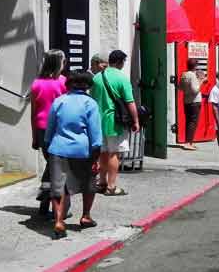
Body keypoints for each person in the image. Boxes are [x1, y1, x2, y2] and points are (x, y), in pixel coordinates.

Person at [44, 71, 102, 239]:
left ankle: (59, 221)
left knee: (59, 186)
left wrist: (47, 146)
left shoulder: (59, 101)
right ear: (87, 86)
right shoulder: (90, 104)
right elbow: (95, 134)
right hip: (83, 150)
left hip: (58, 149)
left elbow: (50, 129)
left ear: (68, 84)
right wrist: (95, 157)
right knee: (89, 183)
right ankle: (85, 216)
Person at [90, 50, 139, 196]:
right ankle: (111, 186)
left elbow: (92, 99)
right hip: (114, 122)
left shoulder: (97, 77)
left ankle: (102, 182)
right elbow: (130, 102)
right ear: (120, 62)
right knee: (114, 154)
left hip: (98, 121)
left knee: (103, 153)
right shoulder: (122, 78)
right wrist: (135, 120)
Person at [30, 50, 67, 217]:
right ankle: (58, 207)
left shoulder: (36, 84)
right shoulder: (63, 82)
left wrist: (34, 136)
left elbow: (33, 112)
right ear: (58, 63)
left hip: (41, 129)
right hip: (58, 130)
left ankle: (44, 203)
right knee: (58, 167)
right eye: (63, 62)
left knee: (51, 164)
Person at [178, 58, 207, 150]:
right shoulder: (192, 76)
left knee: (188, 121)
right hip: (195, 101)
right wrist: (201, 80)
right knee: (193, 122)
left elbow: (180, 87)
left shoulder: (184, 75)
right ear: (195, 66)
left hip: (186, 101)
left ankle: (188, 141)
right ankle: (188, 143)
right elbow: (195, 90)